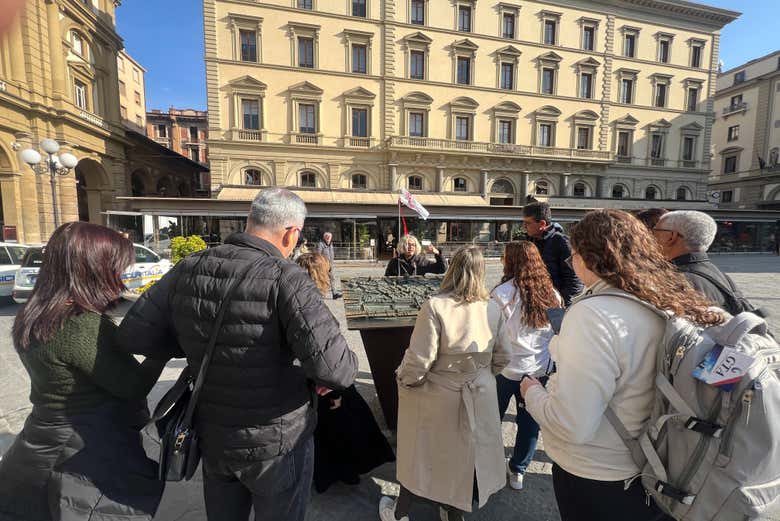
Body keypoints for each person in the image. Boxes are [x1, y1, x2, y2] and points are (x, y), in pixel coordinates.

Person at [118, 188, 359, 521]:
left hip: (213, 433)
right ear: (292, 233)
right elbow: (337, 371)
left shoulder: (191, 264)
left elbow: (133, 334)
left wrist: (195, 346)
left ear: (251, 220)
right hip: (277, 440)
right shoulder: (286, 277)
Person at [520, 209, 723, 521]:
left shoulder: (593, 315)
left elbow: (572, 424)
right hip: (657, 467)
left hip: (599, 474)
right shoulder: (672, 296)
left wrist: (532, 392)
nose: (570, 262)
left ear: (589, 257)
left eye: (573, 254)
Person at [0, 222, 167, 521]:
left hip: (40, 438)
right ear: (94, 268)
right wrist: (162, 352)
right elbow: (133, 386)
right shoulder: (79, 324)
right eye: (116, 266)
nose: (121, 275)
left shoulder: (36, 312)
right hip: (83, 446)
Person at [379, 246, 511, 521]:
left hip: (439, 396)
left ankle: (402, 511)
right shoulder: (493, 307)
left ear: (452, 269)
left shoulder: (436, 306)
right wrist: (481, 376)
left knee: (422, 454)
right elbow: (503, 357)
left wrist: (405, 380)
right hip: (479, 392)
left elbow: (419, 360)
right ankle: (453, 510)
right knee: (467, 457)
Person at [295, 253, 395, 493]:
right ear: (319, 275)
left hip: (314, 381)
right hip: (326, 382)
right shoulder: (313, 307)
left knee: (326, 432)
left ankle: (329, 475)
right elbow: (324, 353)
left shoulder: (298, 302)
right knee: (341, 429)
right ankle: (341, 473)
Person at [489, 241, 561, 491]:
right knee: (530, 423)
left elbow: (490, 331)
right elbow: (556, 332)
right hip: (537, 370)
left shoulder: (502, 293)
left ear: (512, 261)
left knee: (490, 419)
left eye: (504, 257)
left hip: (503, 369)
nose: (501, 260)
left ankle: (487, 465)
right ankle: (518, 470)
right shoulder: (552, 293)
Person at [652, 210, 756, 316]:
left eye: (655, 231)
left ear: (671, 236)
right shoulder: (720, 276)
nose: (650, 236)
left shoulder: (673, 280)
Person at [521, 202, 582, 306]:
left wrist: (562, 306)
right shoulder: (529, 241)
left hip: (556, 304)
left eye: (528, 223)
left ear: (542, 224)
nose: (524, 226)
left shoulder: (562, 242)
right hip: (536, 303)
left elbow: (574, 279)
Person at [316, 232, 342, 299]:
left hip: (330, 265)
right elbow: (318, 255)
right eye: (327, 236)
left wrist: (331, 264)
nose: (328, 238)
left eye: (329, 237)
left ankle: (334, 293)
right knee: (322, 279)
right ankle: (321, 293)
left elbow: (331, 255)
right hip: (323, 265)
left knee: (332, 278)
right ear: (324, 237)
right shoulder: (321, 244)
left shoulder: (330, 244)